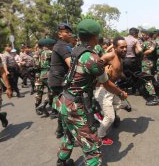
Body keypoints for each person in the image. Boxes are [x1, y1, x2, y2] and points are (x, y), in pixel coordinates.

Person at [55, 19, 128, 166]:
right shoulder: (92, 58)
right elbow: (106, 83)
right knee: (93, 149)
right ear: (95, 37)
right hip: (75, 106)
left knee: (69, 135)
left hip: (63, 101)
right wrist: (121, 94)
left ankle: (61, 161)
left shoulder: (75, 49)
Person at [95, 36, 132, 145]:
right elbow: (96, 68)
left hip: (112, 88)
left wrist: (126, 77)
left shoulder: (121, 56)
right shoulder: (108, 56)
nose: (125, 49)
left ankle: (101, 111)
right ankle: (100, 136)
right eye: (122, 47)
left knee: (125, 104)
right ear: (115, 47)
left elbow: (118, 70)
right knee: (110, 118)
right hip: (103, 89)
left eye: (126, 47)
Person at [48, 23, 73, 137]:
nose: (69, 34)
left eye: (70, 32)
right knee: (67, 107)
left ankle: (60, 129)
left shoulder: (64, 45)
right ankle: (68, 133)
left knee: (62, 106)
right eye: (66, 32)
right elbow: (71, 64)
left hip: (59, 80)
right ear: (60, 34)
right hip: (59, 81)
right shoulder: (62, 46)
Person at [35, 38, 56, 117]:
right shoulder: (50, 52)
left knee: (39, 92)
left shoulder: (36, 53)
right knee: (52, 91)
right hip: (48, 73)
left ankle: (37, 106)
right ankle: (44, 105)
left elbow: (35, 65)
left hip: (40, 74)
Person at [141, 29, 159, 106]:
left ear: (147, 35)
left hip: (146, 63)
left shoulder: (145, 43)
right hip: (153, 62)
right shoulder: (154, 41)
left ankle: (154, 98)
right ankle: (156, 91)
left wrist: (142, 53)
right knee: (151, 78)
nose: (142, 36)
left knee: (147, 80)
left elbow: (149, 51)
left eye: (143, 34)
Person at [123, 28, 143, 94]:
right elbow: (139, 50)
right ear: (135, 34)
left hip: (124, 59)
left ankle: (125, 89)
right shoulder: (135, 40)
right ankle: (135, 90)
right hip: (133, 60)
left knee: (125, 75)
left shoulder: (123, 39)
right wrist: (136, 50)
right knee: (135, 74)